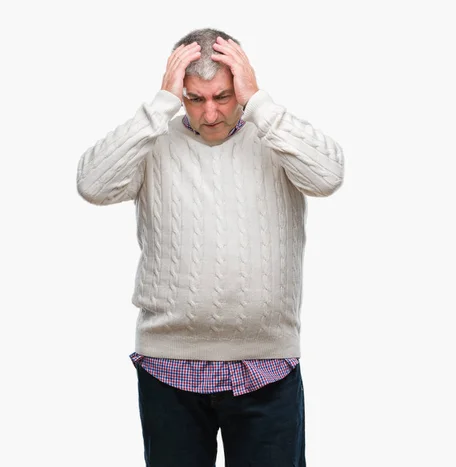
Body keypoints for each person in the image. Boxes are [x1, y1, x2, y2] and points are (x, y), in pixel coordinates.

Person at [76, 27, 344, 467]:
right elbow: (92, 184)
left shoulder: (275, 138)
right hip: (169, 367)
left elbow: (329, 177)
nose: (212, 113)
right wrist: (158, 106)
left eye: (223, 96)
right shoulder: (154, 142)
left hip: (267, 366)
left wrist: (260, 102)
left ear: (240, 87)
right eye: (195, 99)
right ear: (179, 95)